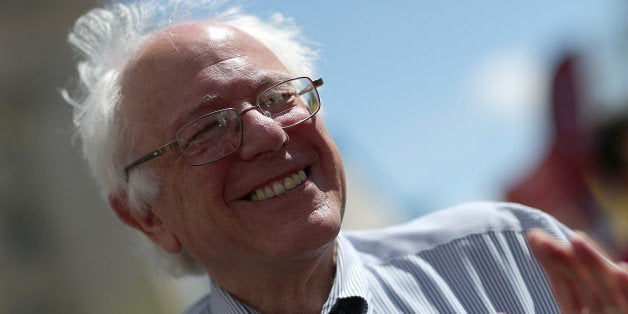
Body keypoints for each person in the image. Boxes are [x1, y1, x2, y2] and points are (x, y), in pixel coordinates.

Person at [63, 0, 628, 313]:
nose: (266, 133)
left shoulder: (512, 258)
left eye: (279, 97)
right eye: (208, 127)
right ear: (147, 215)